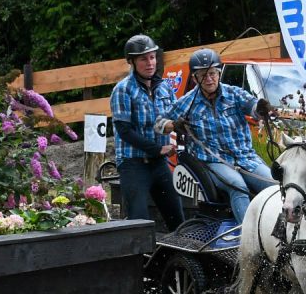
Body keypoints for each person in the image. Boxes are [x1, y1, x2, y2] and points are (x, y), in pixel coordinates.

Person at [157, 48, 276, 225]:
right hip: (214, 161)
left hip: (246, 158)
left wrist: (261, 109)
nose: (209, 79)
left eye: (212, 73)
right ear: (195, 78)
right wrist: (173, 125)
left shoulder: (234, 94)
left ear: (219, 73)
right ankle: (247, 236)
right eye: (203, 75)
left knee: (275, 186)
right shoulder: (187, 102)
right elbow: (159, 123)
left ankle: (278, 231)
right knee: (238, 187)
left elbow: (253, 107)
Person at [109, 34, 185, 230]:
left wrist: (180, 129)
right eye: (143, 59)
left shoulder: (165, 88)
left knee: (178, 220)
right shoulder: (123, 90)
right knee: (139, 224)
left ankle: (178, 250)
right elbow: (124, 131)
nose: (150, 63)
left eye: (152, 57)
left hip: (159, 164)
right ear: (132, 62)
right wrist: (157, 149)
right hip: (133, 164)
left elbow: (176, 119)